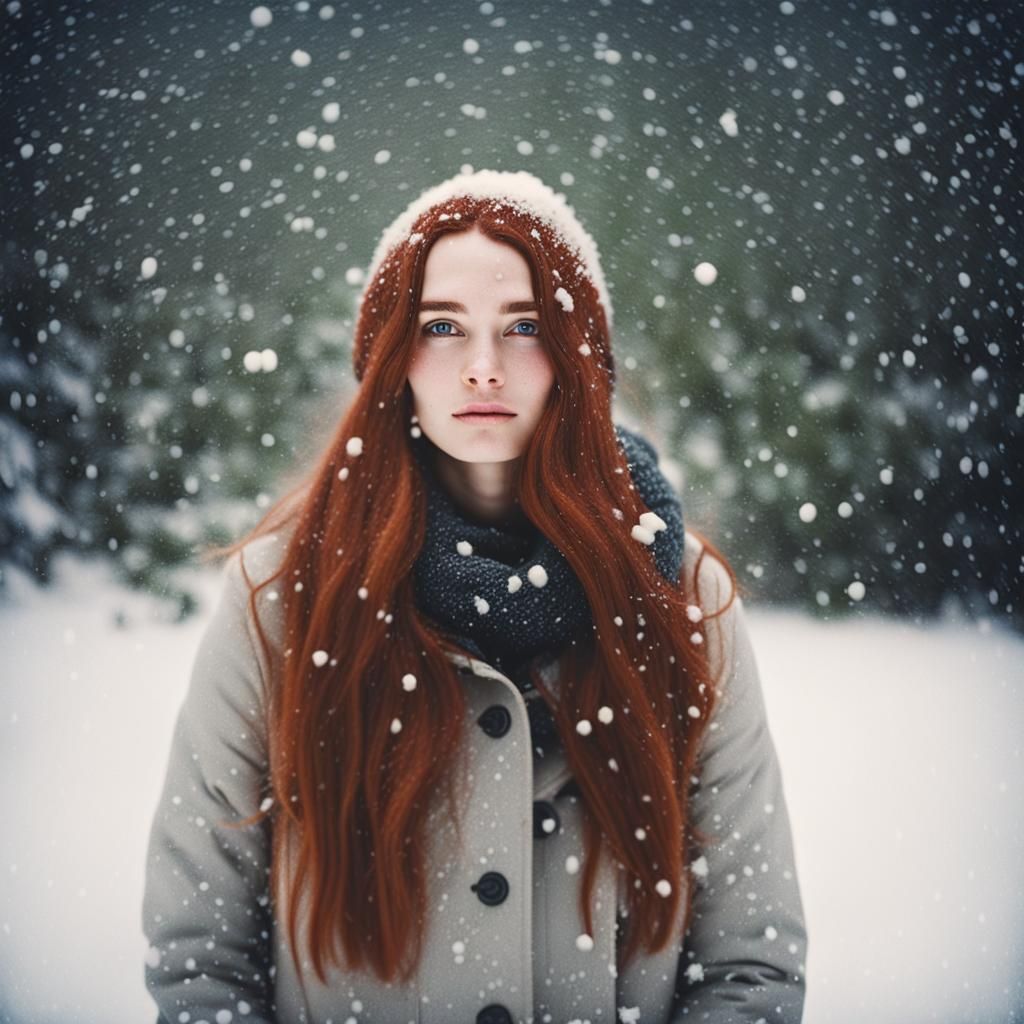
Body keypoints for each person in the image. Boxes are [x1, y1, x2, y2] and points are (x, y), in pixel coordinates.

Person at [142, 169, 807, 1023]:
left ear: (578, 355)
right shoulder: (282, 595)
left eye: (525, 326)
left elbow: (751, 964)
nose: (484, 368)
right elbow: (201, 954)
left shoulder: (681, 597)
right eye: (442, 327)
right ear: (392, 356)